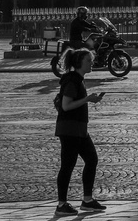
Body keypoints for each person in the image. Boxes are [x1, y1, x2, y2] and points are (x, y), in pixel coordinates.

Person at [53, 47, 106, 214]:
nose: (91, 63)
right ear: (79, 63)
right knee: (67, 166)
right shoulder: (72, 80)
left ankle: (87, 200)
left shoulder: (78, 79)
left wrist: (88, 99)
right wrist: (87, 99)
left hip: (79, 128)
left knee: (91, 159)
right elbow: (66, 106)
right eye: (88, 61)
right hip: (70, 128)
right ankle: (62, 204)